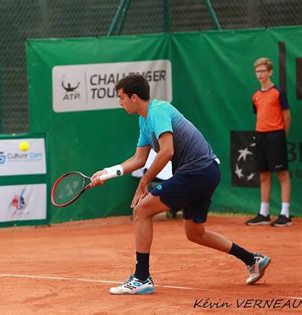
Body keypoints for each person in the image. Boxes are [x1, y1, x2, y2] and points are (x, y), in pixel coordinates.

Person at [90, 74, 270, 295]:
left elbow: (167, 151)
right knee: (195, 232)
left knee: (142, 210)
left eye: (121, 97)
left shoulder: (157, 111)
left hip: (198, 170)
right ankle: (253, 259)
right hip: (205, 171)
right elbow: (138, 159)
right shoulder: (144, 119)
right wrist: (107, 173)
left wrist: (144, 182)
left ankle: (142, 277)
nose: (120, 103)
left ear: (134, 97)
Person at [245, 57, 292, 227]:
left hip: (276, 135)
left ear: (270, 72)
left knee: (282, 174)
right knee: (264, 175)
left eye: (263, 71)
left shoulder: (278, 92)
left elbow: (287, 117)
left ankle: (285, 214)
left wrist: (281, 135)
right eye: (257, 71)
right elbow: (259, 115)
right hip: (260, 136)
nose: (260, 74)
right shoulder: (255, 96)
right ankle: (264, 213)